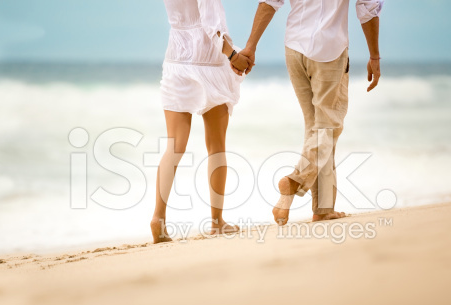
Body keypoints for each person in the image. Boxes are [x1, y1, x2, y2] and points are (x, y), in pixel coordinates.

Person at [233, 0, 383, 225]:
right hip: (329, 49)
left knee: (317, 128)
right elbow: (367, 8)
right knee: (328, 126)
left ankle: (323, 208)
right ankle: (294, 181)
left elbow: (269, 2)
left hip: (294, 48)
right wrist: (374, 56)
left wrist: (251, 46)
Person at [151, 0, 253, 243]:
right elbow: (212, 24)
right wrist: (233, 55)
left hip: (177, 57)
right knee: (216, 146)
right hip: (208, 59)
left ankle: (158, 218)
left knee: (174, 147)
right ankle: (217, 222)